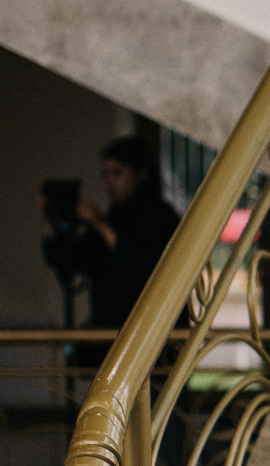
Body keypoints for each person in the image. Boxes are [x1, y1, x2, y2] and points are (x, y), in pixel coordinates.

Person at [40, 136, 180, 334]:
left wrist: (100, 224)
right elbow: (70, 260)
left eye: (117, 173)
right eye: (104, 174)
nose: (109, 182)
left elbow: (140, 272)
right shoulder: (115, 217)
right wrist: (48, 220)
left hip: (147, 332)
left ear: (141, 174)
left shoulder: (160, 218)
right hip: (107, 331)